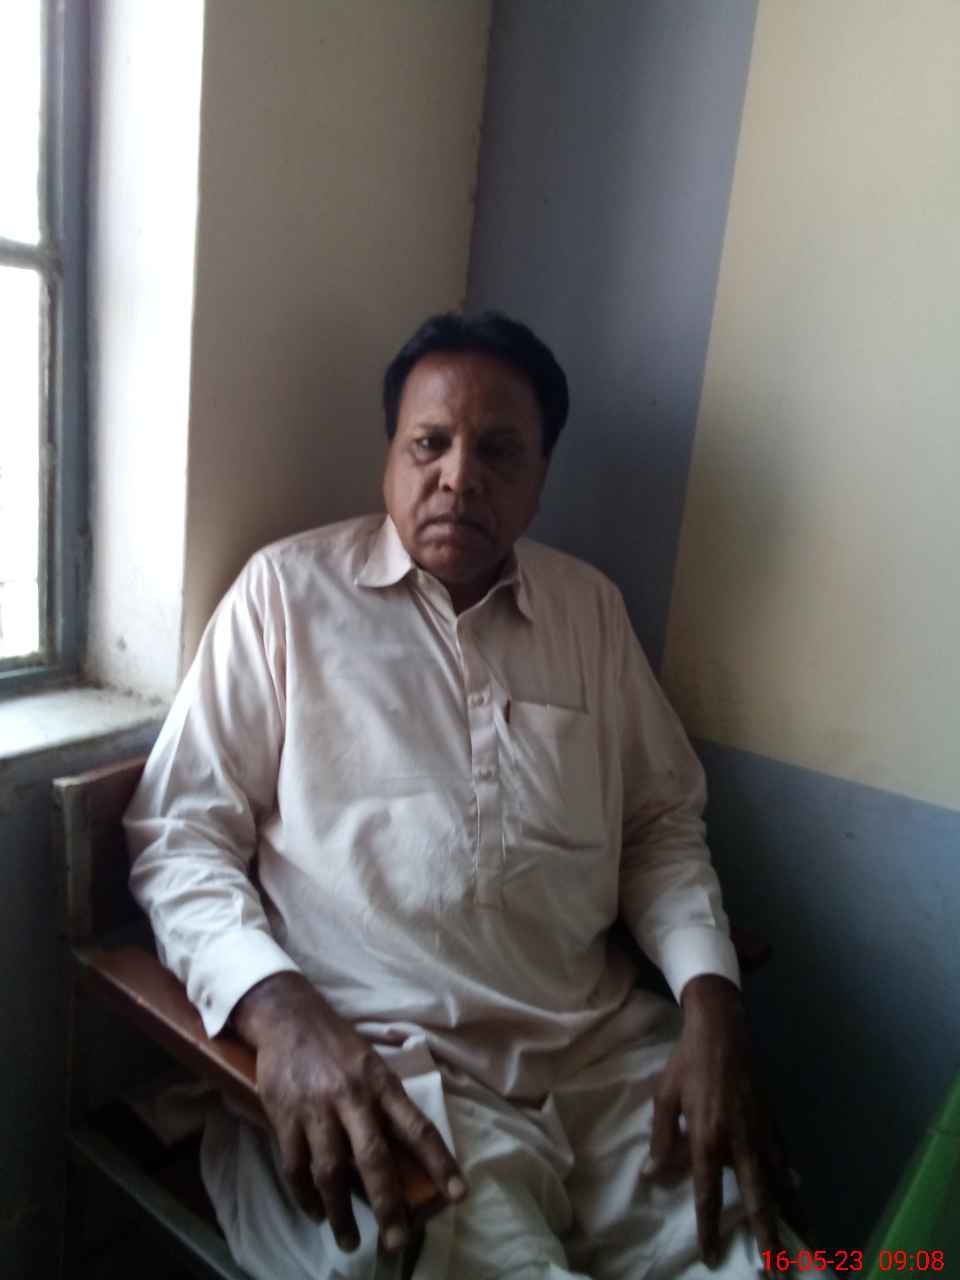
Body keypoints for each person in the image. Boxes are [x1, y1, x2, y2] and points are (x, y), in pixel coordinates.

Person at [126, 311, 786, 1279]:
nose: (459, 476)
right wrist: (281, 1013)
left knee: (774, 1263)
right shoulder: (285, 598)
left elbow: (656, 825)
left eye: (499, 451)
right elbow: (180, 838)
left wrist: (711, 1000)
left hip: (603, 1066)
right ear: (390, 457)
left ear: (541, 475)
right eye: (429, 443)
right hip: (394, 1072)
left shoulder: (589, 612)